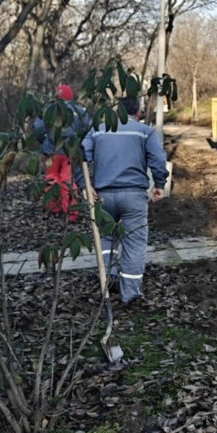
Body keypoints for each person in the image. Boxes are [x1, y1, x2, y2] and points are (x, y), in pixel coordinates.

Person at [83, 96, 168, 306]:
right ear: (138, 111)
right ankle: (130, 294)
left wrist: (84, 185)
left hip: (102, 195)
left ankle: (108, 280)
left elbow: (80, 155)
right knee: (134, 243)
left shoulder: (98, 129)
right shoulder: (144, 131)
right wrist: (159, 184)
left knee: (104, 239)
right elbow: (158, 160)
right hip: (134, 196)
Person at [33, 84, 91, 221]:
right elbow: (88, 127)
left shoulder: (49, 109)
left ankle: (53, 208)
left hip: (51, 151)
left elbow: (37, 127)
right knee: (68, 179)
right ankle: (71, 212)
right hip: (70, 151)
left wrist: (44, 142)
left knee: (52, 178)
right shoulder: (80, 110)